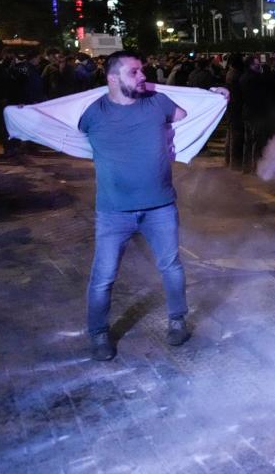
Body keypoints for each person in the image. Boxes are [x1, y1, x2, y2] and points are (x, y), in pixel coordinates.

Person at [77, 50, 218, 361]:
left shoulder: (158, 103)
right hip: (113, 212)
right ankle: (98, 333)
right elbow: (66, 127)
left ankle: (177, 319)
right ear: (112, 79)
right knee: (103, 276)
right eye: (134, 73)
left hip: (160, 207)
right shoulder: (93, 113)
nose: (143, 77)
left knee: (171, 266)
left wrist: (216, 98)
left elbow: (190, 115)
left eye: (142, 71)